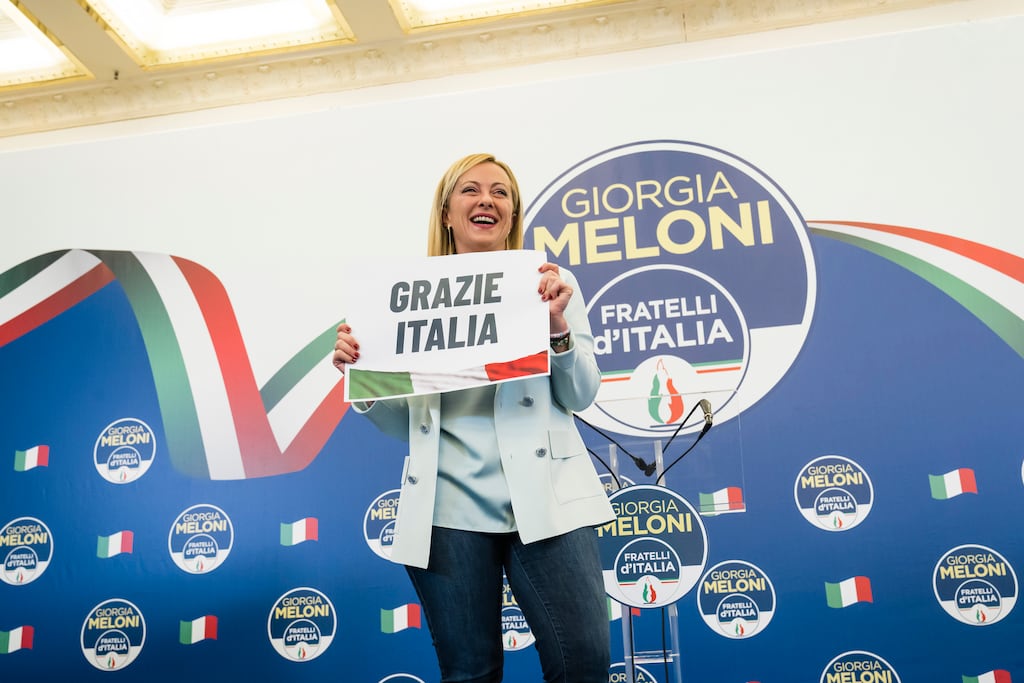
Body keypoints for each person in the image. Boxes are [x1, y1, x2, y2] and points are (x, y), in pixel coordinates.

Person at [332, 153, 614, 683]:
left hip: (548, 498)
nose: (487, 200)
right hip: (447, 508)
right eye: (471, 190)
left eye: (500, 192)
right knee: (469, 675)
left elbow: (579, 395)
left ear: (512, 213)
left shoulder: (550, 283)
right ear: (446, 212)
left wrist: (557, 330)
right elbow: (403, 428)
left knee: (586, 664)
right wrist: (362, 379)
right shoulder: (403, 300)